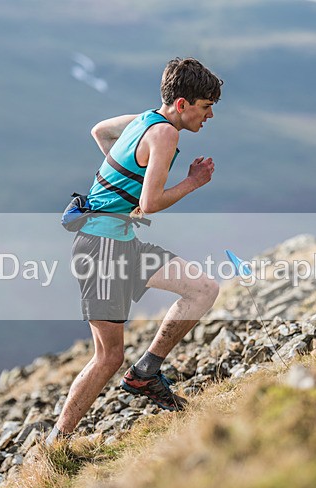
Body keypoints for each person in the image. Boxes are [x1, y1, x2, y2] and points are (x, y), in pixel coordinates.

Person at [47, 57, 223, 444]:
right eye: (206, 107)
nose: (209, 116)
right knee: (108, 357)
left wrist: (121, 180)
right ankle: (54, 444)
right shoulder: (165, 135)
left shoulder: (144, 120)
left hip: (121, 243)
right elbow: (153, 201)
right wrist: (194, 181)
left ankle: (146, 372)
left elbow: (100, 131)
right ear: (182, 104)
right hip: (100, 249)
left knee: (203, 289)